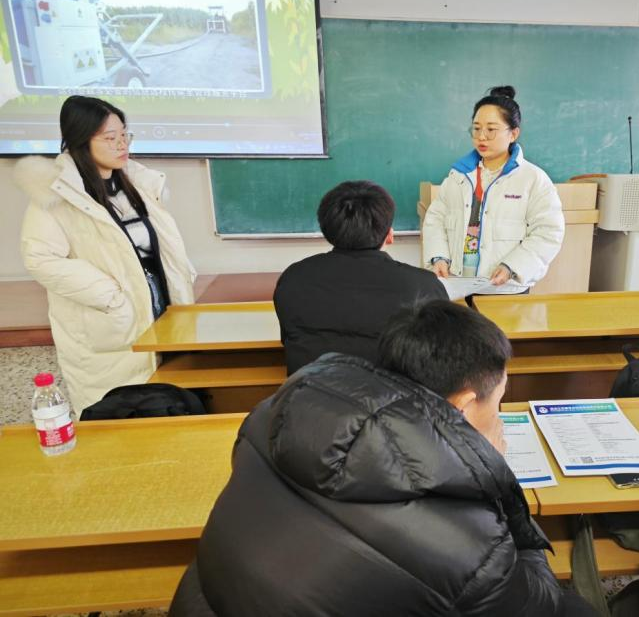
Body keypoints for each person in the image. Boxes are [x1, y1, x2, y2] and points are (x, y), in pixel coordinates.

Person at [170, 301, 595, 616]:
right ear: (464, 406)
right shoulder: (465, 543)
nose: (498, 416)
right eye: (497, 402)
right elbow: (537, 605)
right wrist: (496, 477)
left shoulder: (269, 416)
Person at [16, 95, 195, 414]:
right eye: (111, 138)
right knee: (118, 411)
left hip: (159, 307)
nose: (122, 144)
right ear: (81, 140)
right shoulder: (54, 194)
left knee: (168, 400)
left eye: (125, 134)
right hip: (109, 320)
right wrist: (109, 294)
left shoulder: (137, 182)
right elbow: (40, 259)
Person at [273, 180, 448, 374]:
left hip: (310, 391)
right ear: (389, 235)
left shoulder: (294, 279)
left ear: (326, 230)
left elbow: (290, 338)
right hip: (394, 393)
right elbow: (438, 353)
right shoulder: (423, 286)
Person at [422, 86, 565, 288]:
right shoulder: (459, 175)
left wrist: (512, 267)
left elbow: (548, 232)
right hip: (457, 282)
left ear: (513, 133)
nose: (481, 137)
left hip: (503, 287)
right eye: (476, 128)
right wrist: (439, 257)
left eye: (491, 130)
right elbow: (436, 217)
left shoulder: (533, 179)